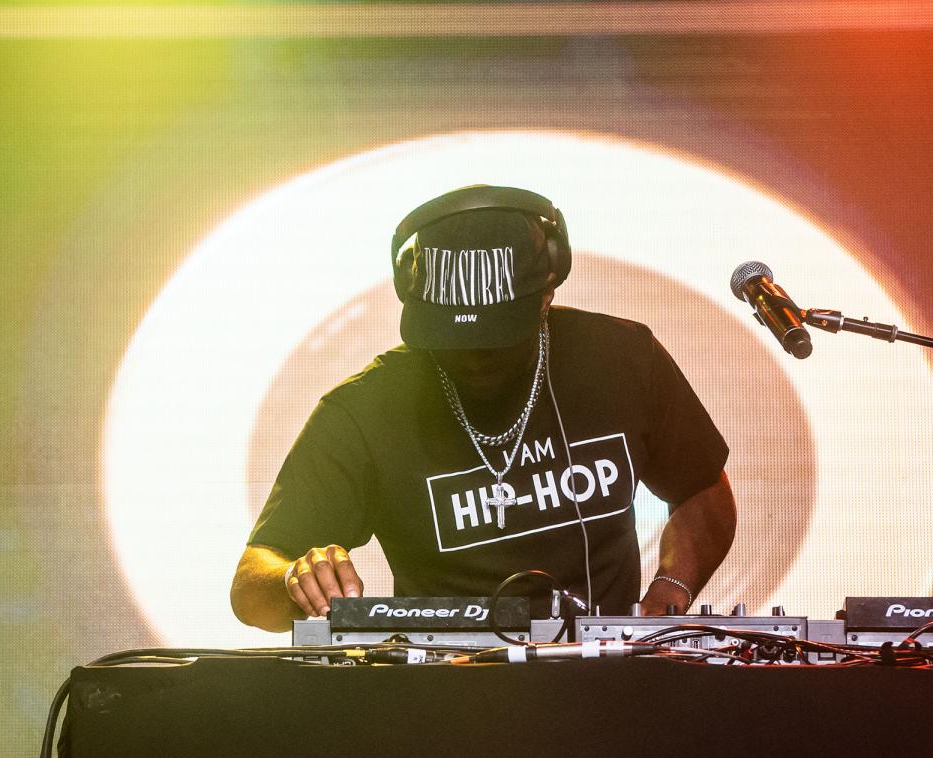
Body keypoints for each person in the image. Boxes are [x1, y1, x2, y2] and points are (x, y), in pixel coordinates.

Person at [230, 185, 737, 633]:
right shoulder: (363, 410)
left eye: (498, 338)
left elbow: (701, 488)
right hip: (447, 691)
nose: (474, 357)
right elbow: (252, 582)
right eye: (450, 339)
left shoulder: (622, 359)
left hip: (609, 680)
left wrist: (670, 590)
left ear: (547, 291)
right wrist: (292, 579)